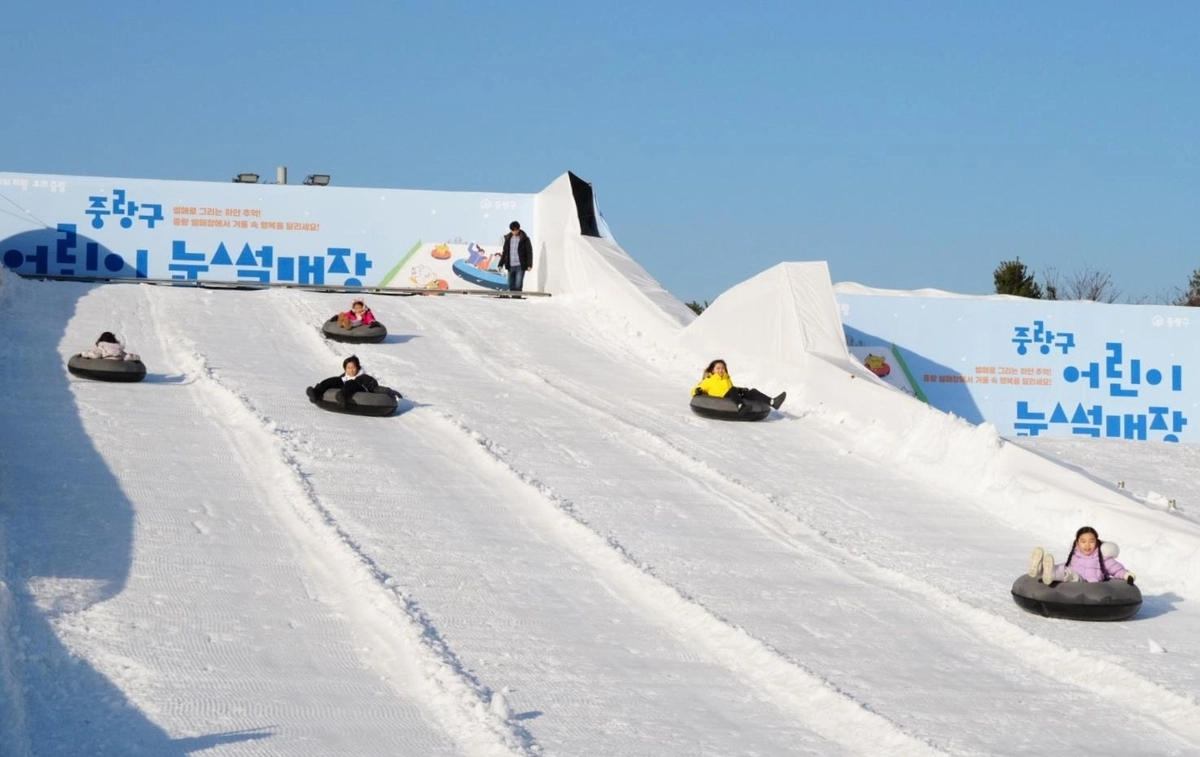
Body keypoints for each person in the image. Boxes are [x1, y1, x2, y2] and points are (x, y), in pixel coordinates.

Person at [1028, 526, 1136, 586]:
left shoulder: (1102, 557)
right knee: (1062, 569)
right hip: (1073, 581)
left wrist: (1127, 575)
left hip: (1085, 583)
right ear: (1078, 543)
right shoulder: (1075, 554)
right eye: (1083, 541)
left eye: (1091, 541)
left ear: (1097, 542)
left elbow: (1116, 570)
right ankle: (1039, 569)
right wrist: (1057, 567)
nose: (1087, 545)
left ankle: (1050, 572)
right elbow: (1068, 566)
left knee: (1068, 574)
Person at [307, 355, 400, 408]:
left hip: (360, 390)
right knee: (335, 379)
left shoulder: (364, 377)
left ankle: (342, 396)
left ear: (358, 367)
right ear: (345, 369)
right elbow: (335, 381)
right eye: (348, 368)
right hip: (345, 386)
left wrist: (390, 392)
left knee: (350, 383)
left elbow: (376, 388)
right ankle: (316, 392)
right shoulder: (344, 377)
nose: (351, 370)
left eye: (353, 367)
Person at [692, 359, 786, 411]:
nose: (721, 370)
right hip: (721, 399)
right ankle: (741, 406)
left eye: (723, 368)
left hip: (731, 395)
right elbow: (695, 389)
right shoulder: (709, 380)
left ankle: (773, 402)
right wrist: (697, 391)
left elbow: (730, 389)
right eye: (718, 368)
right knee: (733, 390)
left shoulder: (726, 378)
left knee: (752, 391)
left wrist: (740, 390)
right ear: (713, 370)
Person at [497, 221, 533, 292]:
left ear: (519, 229)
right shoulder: (508, 239)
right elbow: (505, 253)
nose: (515, 232)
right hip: (511, 266)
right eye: (513, 230)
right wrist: (500, 264)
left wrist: (529, 265)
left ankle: (517, 300)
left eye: (516, 230)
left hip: (520, 265)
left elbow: (529, 252)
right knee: (511, 285)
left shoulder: (525, 239)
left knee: (518, 285)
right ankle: (512, 302)